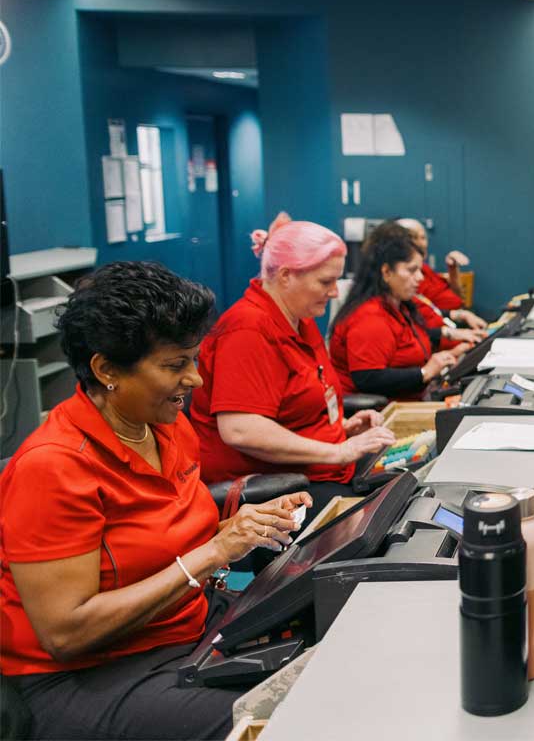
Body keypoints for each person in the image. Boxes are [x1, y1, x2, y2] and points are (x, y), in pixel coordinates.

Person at [0, 261, 312, 740]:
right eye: (175, 365)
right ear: (106, 370)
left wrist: (236, 528)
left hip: (186, 629)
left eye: (193, 359)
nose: (196, 380)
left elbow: (167, 536)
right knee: (291, 722)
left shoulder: (166, 426)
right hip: (89, 676)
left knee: (330, 641)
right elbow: (66, 633)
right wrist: (211, 555)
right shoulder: (53, 467)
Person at [190, 213, 395, 512]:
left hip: (319, 471)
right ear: (286, 275)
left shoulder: (299, 318)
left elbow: (300, 402)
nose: (335, 291)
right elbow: (241, 429)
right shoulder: (247, 329)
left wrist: (341, 428)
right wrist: (337, 450)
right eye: (326, 281)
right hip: (278, 490)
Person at [329, 223, 484, 401]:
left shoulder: (399, 306)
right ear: (386, 272)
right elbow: (368, 378)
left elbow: (410, 343)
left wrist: (447, 356)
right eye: (412, 270)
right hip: (383, 414)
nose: (419, 277)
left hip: (415, 397)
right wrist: (425, 372)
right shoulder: (369, 316)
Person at [395, 218, 487, 330]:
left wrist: (453, 270)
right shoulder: (404, 282)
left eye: (423, 237)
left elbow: (457, 297)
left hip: (458, 317)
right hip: (447, 326)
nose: (421, 243)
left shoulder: (425, 269)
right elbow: (423, 317)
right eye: (413, 238)